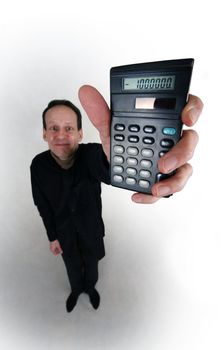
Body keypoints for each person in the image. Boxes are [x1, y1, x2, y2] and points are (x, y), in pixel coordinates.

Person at [30, 85, 203, 313]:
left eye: (69, 128)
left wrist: (147, 166)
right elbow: (42, 206)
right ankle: (76, 290)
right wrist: (53, 236)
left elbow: (108, 164)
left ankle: (90, 289)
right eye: (53, 128)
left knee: (92, 270)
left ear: (80, 134)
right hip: (64, 237)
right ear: (44, 133)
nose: (61, 135)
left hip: (91, 235)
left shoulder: (92, 154)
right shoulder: (38, 166)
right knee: (72, 270)